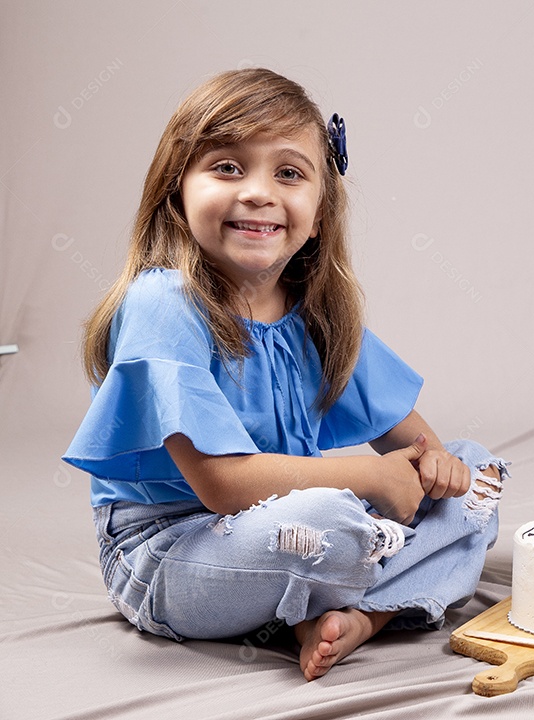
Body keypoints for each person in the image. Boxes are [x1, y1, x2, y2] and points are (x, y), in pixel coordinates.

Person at [62, 68, 508, 681]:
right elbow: (221, 487)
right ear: (175, 193)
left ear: (319, 213)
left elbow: (416, 446)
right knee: (329, 523)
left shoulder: (315, 314)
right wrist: (374, 479)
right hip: (174, 551)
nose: (259, 193)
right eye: (226, 167)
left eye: (289, 173)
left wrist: (433, 467)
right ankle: (365, 589)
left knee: (479, 475)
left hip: (291, 520)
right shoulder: (164, 303)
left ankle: (359, 615)